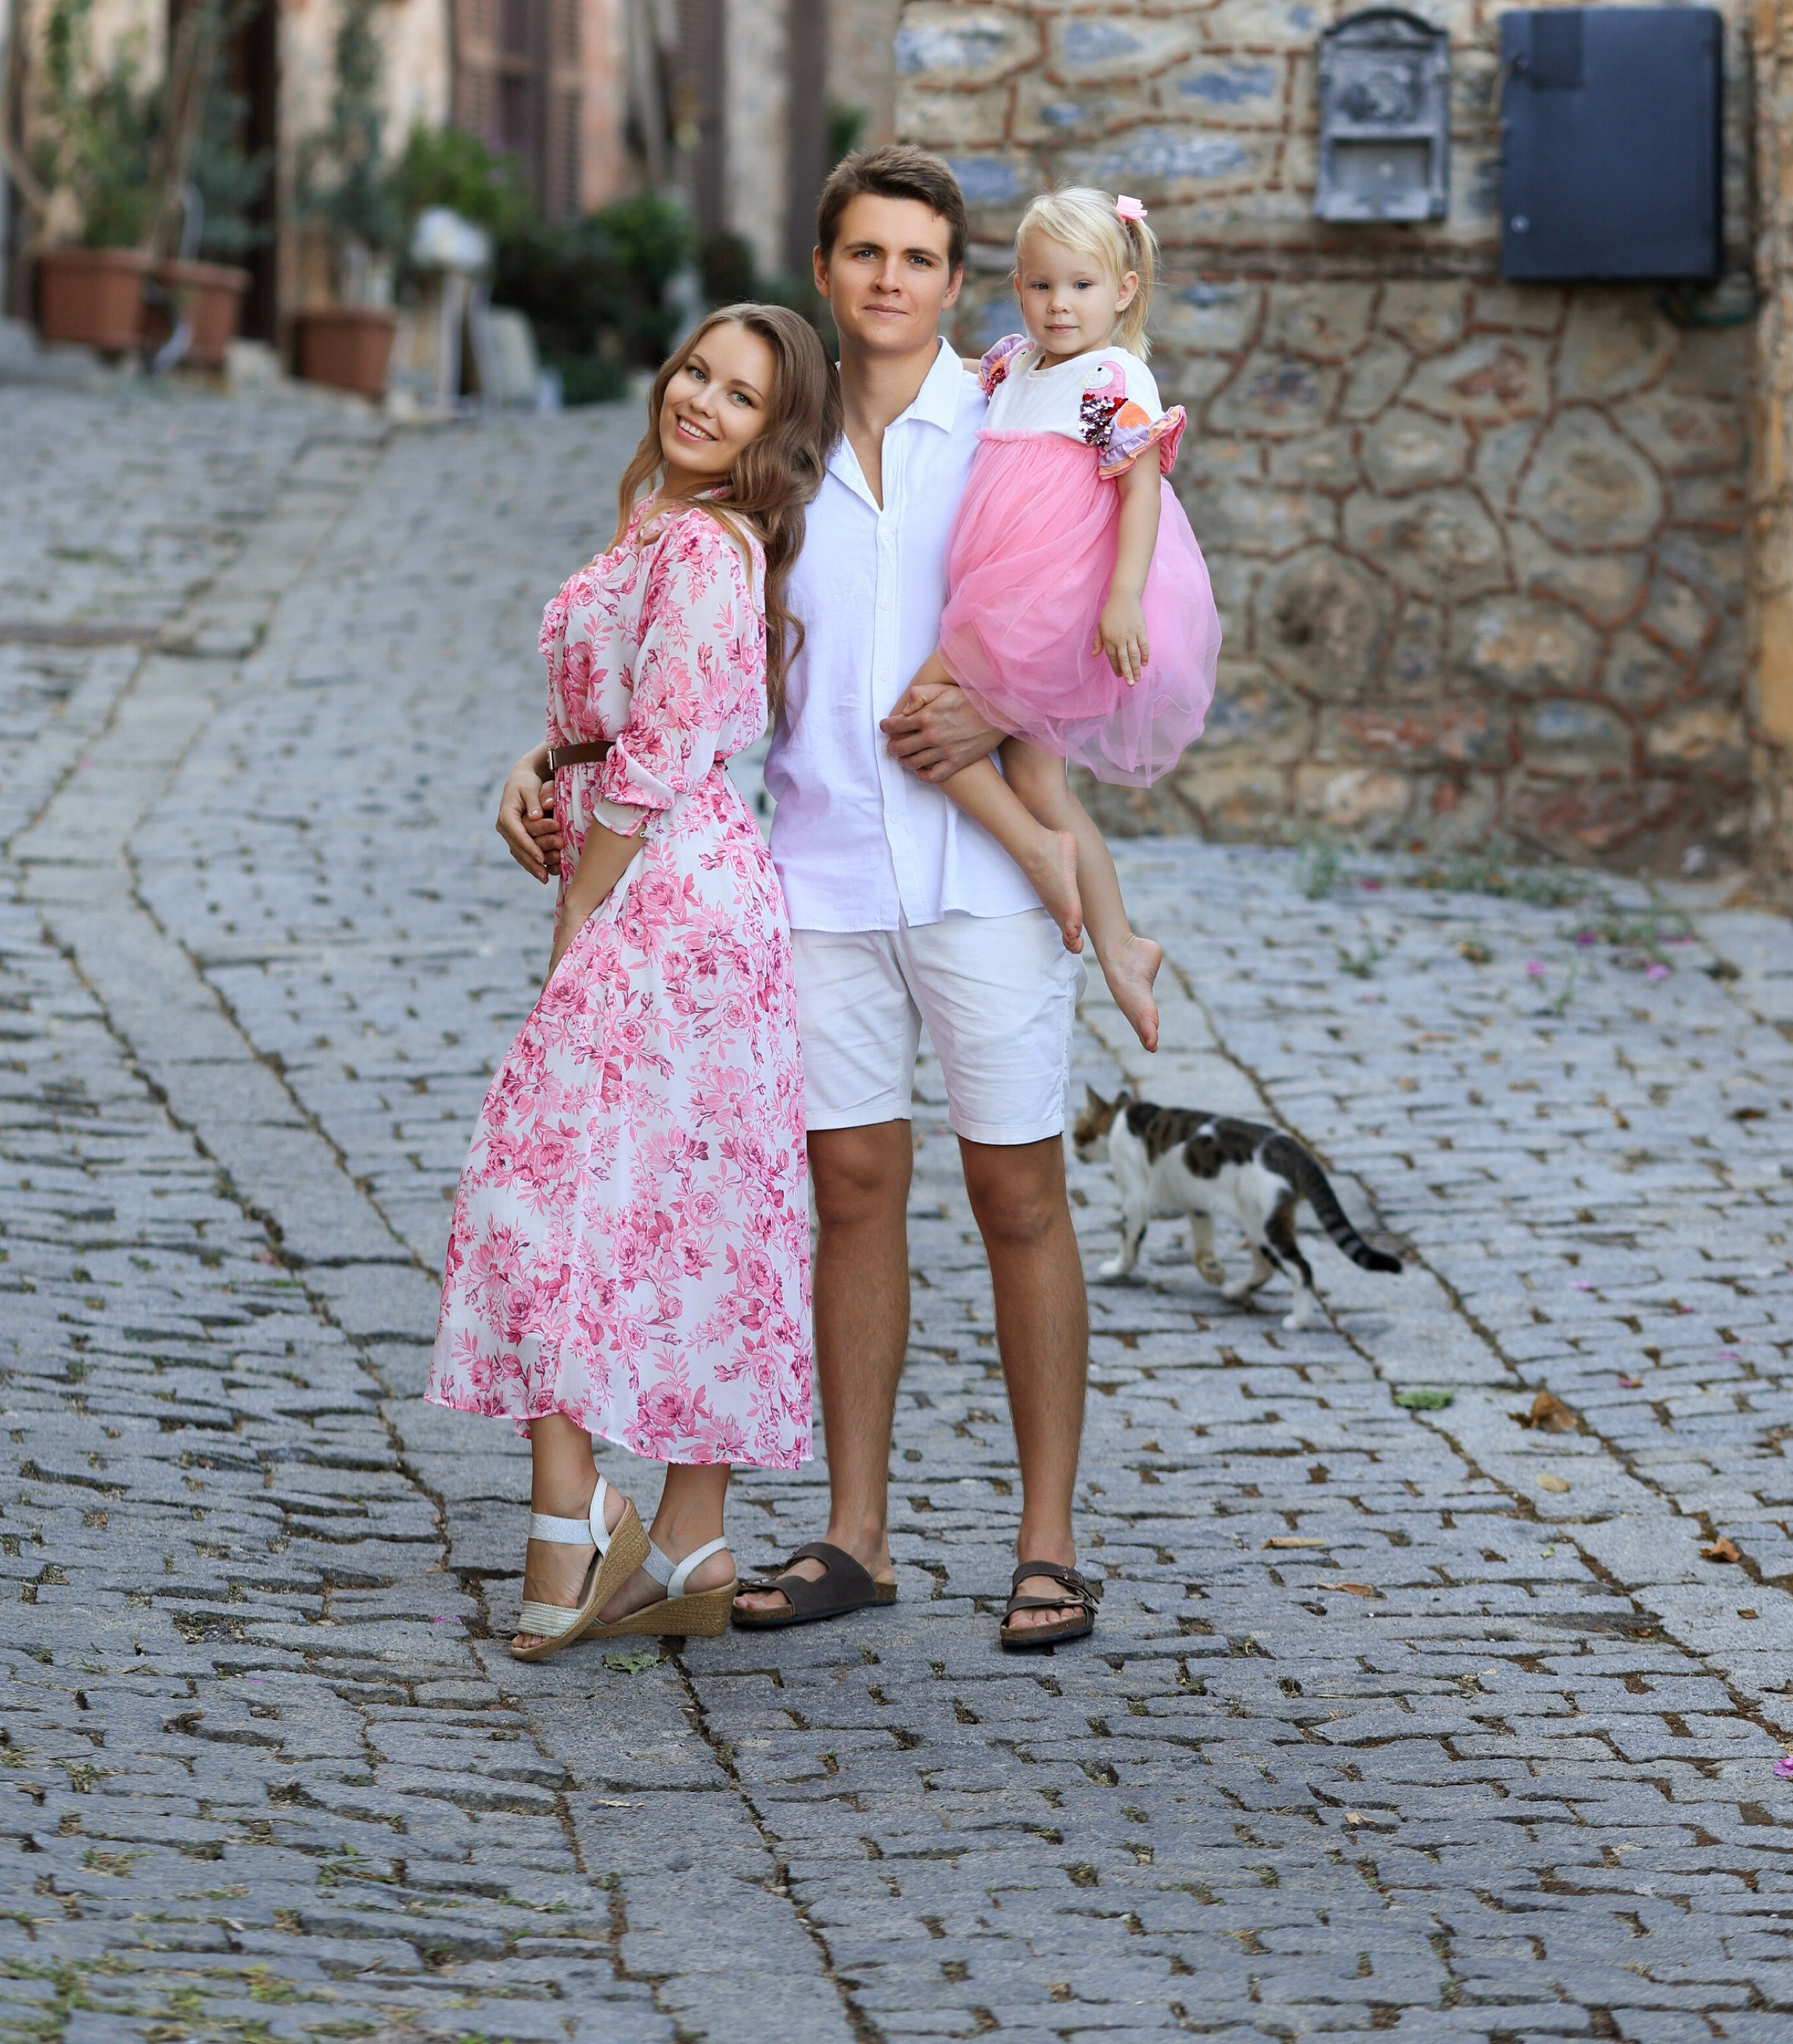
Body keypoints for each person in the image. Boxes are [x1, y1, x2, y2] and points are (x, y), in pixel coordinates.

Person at [430, 304, 838, 1659]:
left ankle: (574, 1513)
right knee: (679, 1214)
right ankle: (691, 1544)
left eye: (741, 399)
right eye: (697, 374)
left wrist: (579, 919)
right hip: (670, 889)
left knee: (529, 1183)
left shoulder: (713, 549)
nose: (704, 404)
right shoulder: (657, 525)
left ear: (772, 438)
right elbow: (607, 725)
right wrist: (538, 768)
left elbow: (662, 755)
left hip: (671, 902)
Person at [735, 146, 1101, 1651]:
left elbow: (1083, 623)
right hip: (814, 870)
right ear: (825, 272)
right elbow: (673, 605)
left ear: (957, 284)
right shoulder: (773, 441)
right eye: (864, 254)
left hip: (980, 876)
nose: (890, 280)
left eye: (919, 258)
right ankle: (857, 1533)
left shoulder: (1012, 427)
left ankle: (1049, 1542)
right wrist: (556, 750)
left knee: (1018, 1190)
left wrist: (993, 711)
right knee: (851, 1190)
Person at [889, 187, 1220, 1053]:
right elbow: (946, 375)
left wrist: (1120, 597)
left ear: (1123, 290)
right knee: (1038, 782)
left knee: (910, 722)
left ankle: (1039, 859)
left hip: (1049, 604)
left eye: (1078, 286)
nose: (1056, 306)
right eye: (1038, 287)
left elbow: (1140, 491)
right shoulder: (1012, 365)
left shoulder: (1113, 379)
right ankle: (1120, 945)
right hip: (1002, 592)